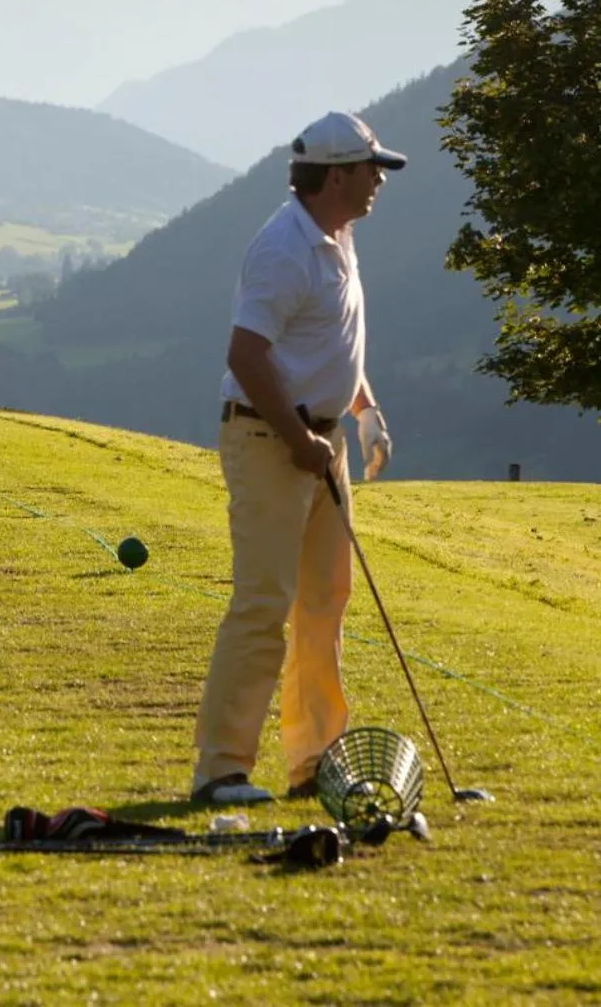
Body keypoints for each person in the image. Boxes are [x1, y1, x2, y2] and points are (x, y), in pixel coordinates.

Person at [190, 110, 404, 805]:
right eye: (372, 168)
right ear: (337, 174)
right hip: (268, 438)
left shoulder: (337, 237)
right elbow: (246, 355)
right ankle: (221, 770)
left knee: (324, 604)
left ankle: (313, 761)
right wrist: (297, 439)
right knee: (262, 603)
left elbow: (331, 345)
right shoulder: (284, 248)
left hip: (322, 442)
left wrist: (364, 411)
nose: (380, 180)